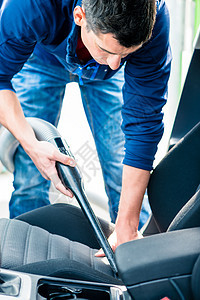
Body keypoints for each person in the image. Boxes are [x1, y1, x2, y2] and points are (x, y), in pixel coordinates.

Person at [0, 0, 171, 252]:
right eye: (108, 51)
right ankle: (25, 262)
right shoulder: (31, 6)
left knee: (119, 163)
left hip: (102, 62)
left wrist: (127, 226)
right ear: (79, 16)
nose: (115, 64)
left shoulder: (153, 18)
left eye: (126, 53)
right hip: (40, 56)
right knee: (31, 175)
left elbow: (144, 122)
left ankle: (135, 254)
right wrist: (31, 144)